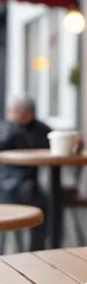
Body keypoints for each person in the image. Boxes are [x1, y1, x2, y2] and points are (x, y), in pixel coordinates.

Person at [0, 95, 51, 250]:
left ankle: (37, 249)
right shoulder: (7, 129)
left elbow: (53, 145)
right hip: (7, 185)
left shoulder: (42, 130)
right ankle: (36, 250)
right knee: (42, 203)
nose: (9, 115)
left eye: (13, 111)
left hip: (28, 184)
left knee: (47, 202)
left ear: (28, 114)